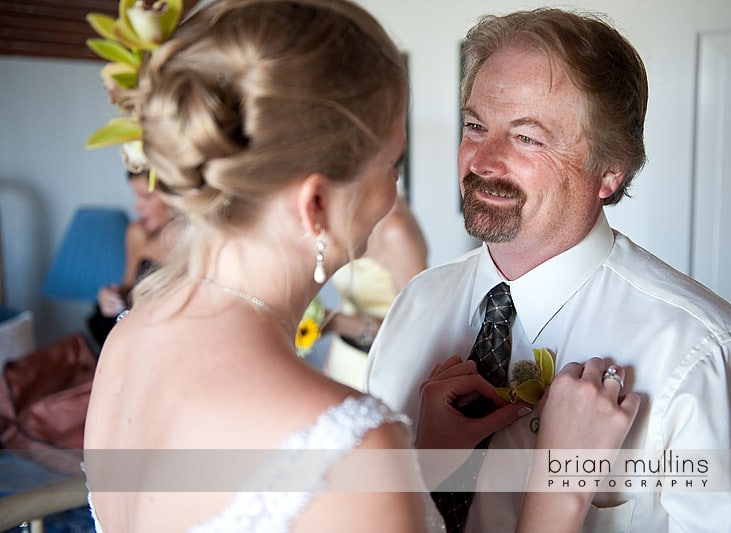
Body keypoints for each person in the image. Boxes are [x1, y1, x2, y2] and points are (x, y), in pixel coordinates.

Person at [83, 1, 638, 532]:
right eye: (390, 164)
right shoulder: (343, 445)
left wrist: (420, 465)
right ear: (316, 205)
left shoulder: (131, 338)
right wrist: (561, 485)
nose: (395, 191)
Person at [365, 7, 731, 533]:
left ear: (609, 171)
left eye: (527, 137)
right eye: (476, 126)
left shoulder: (706, 358)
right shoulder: (416, 305)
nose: (482, 161)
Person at [323, 194, 428, 389]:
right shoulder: (344, 217)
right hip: (342, 362)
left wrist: (335, 322)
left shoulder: (395, 229)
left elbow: (419, 331)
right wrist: (329, 368)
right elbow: (349, 300)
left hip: (377, 372)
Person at [86, 169, 174, 346]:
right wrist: (109, 296)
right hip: (139, 337)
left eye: (146, 197)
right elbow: (128, 289)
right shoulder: (138, 233)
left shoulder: (207, 244)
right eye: (136, 196)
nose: (137, 206)